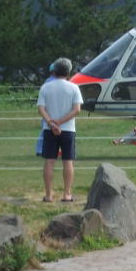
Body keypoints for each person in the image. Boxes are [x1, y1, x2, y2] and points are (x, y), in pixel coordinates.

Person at [37, 57, 83, 203]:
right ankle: (67, 194)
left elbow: (41, 108)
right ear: (68, 71)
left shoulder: (46, 87)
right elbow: (77, 110)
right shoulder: (73, 87)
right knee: (67, 161)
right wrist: (61, 122)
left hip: (49, 129)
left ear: (54, 70)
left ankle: (49, 195)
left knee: (49, 161)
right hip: (68, 129)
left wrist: (51, 123)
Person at [35, 63, 57, 156]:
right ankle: (41, 150)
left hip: (47, 108)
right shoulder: (54, 82)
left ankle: (41, 149)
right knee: (47, 130)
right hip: (53, 109)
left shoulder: (47, 81)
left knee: (45, 129)